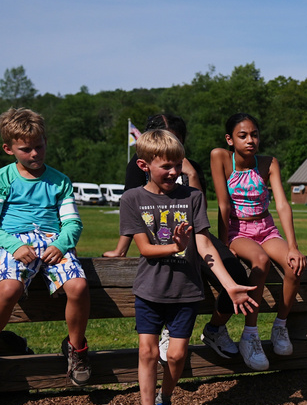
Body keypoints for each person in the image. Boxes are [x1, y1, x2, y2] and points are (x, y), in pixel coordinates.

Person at [119, 129, 257, 405]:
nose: (173, 172)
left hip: (186, 292)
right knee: (148, 353)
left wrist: (229, 284)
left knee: (177, 355)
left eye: (177, 164)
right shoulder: (133, 200)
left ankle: (166, 402)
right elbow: (144, 248)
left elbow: (205, 244)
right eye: (165, 166)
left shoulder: (192, 198)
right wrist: (174, 246)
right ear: (144, 165)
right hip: (150, 291)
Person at [103, 114, 247, 362]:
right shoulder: (138, 168)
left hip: (193, 233)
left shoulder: (188, 168)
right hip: (159, 239)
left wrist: (189, 172)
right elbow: (133, 213)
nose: (173, 170)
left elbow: (197, 211)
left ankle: (214, 329)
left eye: (177, 141)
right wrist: (120, 249)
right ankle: (170, 329)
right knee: (175, 269)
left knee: (235, 273)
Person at [0, 107, 91, 384]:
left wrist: (62, 244)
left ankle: (76, 348)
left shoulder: (59, 181)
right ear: (9, 149)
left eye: (39, 147)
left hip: (53, 242)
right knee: (9, 288)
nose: (35, 154)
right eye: (26, 149)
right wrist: (13, 246)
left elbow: (72, 223)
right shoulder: (4, 179)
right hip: (13, 241)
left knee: (78, 286)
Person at [210, 113, 306, 371]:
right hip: (237, 230)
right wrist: (222, 247)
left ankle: (280, 327)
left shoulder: (268, 162)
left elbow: (283, 205)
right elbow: (223, 204)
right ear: (230, 139)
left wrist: (294, 246)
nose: (250, 140)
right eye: (243, 136)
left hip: (265, 227)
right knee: (260, 261)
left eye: (254, 135)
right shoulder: (220, 157)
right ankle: (250, 335)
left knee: (293, 265)